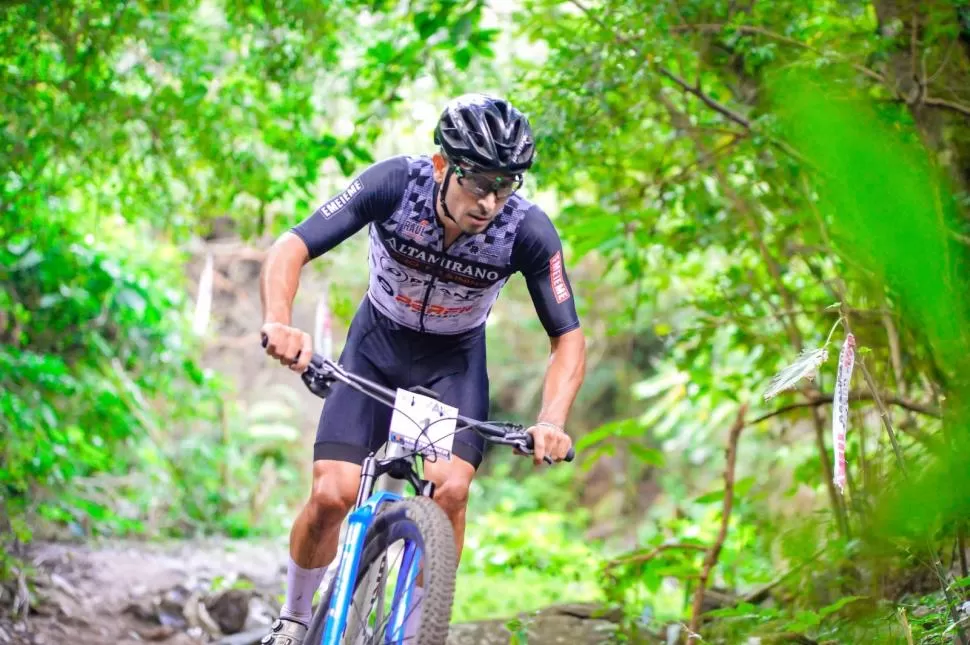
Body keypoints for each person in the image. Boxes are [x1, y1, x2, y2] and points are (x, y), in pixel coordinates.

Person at [258, 93, 587, 644]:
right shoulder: (394, 184)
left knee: (451, 489)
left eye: (506, 186)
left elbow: (568, 339)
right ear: (443, 166)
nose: (490, 201)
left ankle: (417, 633)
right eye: (478, 182)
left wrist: (551, 418)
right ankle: (292, 619)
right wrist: (279, 321)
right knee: (332, 494)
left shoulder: (527, 230)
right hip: (375, 347)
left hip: (452, 364)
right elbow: (291, 246)